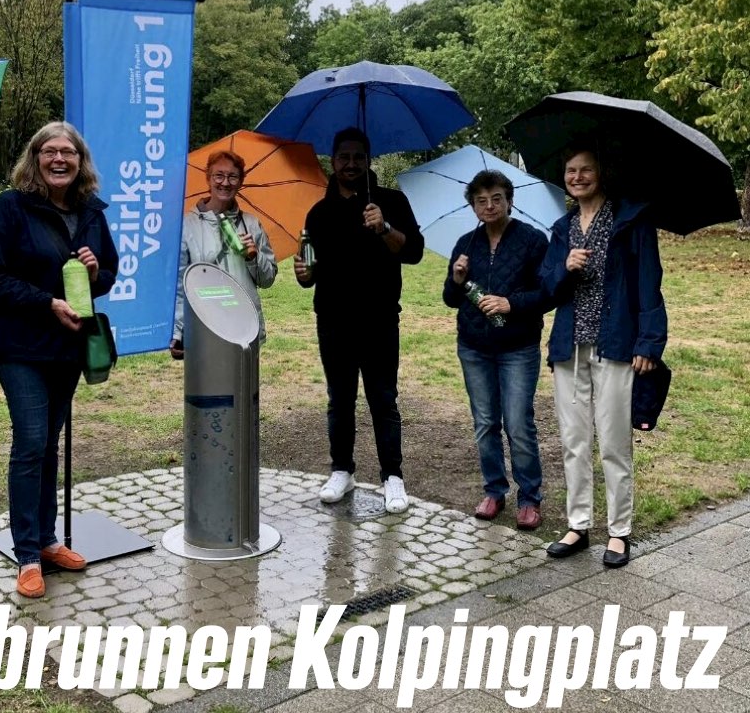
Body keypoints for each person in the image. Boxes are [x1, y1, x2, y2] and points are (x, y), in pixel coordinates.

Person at [0, 121, 118, 598]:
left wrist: (97, 271)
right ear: (35, 159)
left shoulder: (92, 212)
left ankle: (48, 540)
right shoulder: (13, 207)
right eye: (50, 152)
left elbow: (109, 274)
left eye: (68, 153)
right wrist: (45, 302)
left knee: (49, 444)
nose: (59, 159)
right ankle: (28, 555)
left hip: (69, 346)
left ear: (81, 162)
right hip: (21, 346)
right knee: (32, 441)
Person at [541, 145, 667, 568]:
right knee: (574, 441)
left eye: (586, 170)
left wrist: (649, 341)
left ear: (601, 173)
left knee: (613, 443)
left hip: (615, 345)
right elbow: (547, 289)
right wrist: (565, 267)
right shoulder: (561, 229)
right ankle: (578, 526)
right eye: (571, 170)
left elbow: (650, 281)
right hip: (568, 348)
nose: (578, 177)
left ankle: (619, 533)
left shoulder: (630, 221)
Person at [294, 126, 424, 513]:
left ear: (368, 161)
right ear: (332, 162)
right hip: (333, 319)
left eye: (358, 157)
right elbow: (310, 269)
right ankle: (342, 470)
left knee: (383, 399)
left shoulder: (390, 201)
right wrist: (305, 275)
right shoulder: (319, 212)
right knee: (340, 399)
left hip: (380, 317)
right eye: (343, 157)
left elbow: (414, 252)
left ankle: (392, 477)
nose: (350, 164)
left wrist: (383, 227)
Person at [443, 170, 549, 530]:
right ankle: (494, 489)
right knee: (485, 422)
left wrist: (510, 303)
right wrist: (457, 279)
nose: (489, 206)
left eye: (497, 199)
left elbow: (547, 294)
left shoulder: (532, 241)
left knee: (518, 423)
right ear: (472, 206)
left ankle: (530, 497)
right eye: (481, 201)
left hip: (518, 347)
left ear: (509, 200)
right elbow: (449, 299)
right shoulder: (465, 244)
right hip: (474, 348)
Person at [170, 150, 277, 358]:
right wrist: (178, 331)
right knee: (209, 386)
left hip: (244, 326)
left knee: (244, 388)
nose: (225, 183)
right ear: (208, 178)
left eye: (233, 176)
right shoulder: (188, 226)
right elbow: (180, 284)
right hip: (205, 324)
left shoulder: (252, 224)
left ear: (241, 181)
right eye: (219, 175)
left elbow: (268, 280)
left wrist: (253, 258)